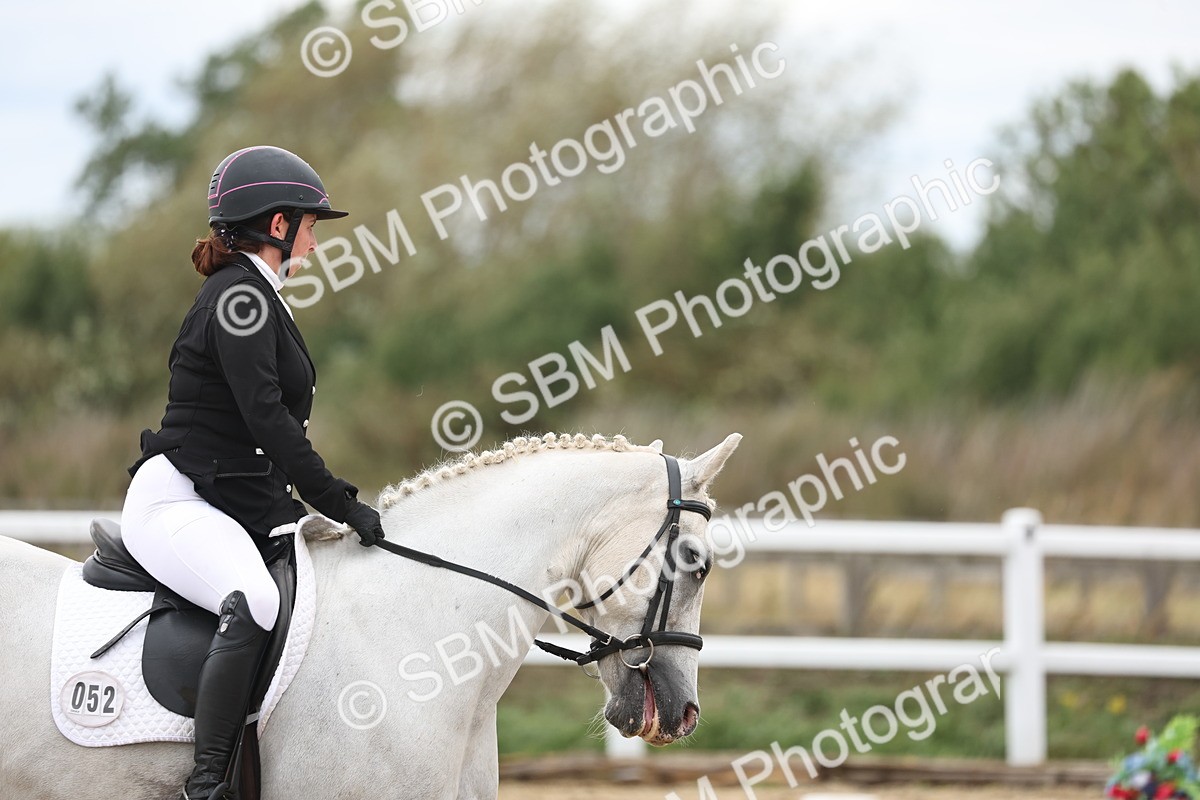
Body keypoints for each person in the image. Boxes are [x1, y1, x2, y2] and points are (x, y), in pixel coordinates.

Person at [120, 145, 386, 800]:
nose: (316, 246)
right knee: (258, 600)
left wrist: (296, 513)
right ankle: (206, 785)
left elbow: (257, 445)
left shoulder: (254, 297)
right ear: (277, 226)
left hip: (220, 495)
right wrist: (340, 504)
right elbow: (269, 425)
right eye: (312, 227)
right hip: (179, 500)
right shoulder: (239, 300)